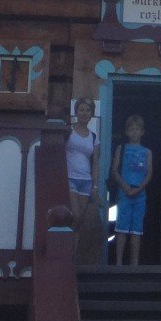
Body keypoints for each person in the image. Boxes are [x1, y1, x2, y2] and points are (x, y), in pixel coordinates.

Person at [110, 114, 153, 266]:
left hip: (140, 194)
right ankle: (119, 263)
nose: (134, 132)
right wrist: (125, 187)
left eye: (137, 129)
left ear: (142, 132)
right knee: (121, 228)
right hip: (124, 192)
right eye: (131, 129)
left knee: (136, 230)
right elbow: (115, 170)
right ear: (127, 132)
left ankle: (134, 265)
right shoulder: (121, 149)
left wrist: (139, 188)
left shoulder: (147, 152)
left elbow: (149, 174)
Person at [65, 97, 100, 231]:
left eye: (88, 110)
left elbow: (95, 162)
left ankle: (73, 251)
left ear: (92, 114)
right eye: (81, 110)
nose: (84, 113)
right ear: (76, 112)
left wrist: (95, 186)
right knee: (76, 216)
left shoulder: (94, 137)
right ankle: (66, 246)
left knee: (80, 222)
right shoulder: (69, 130)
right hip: (70, 178)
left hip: (86, 181)